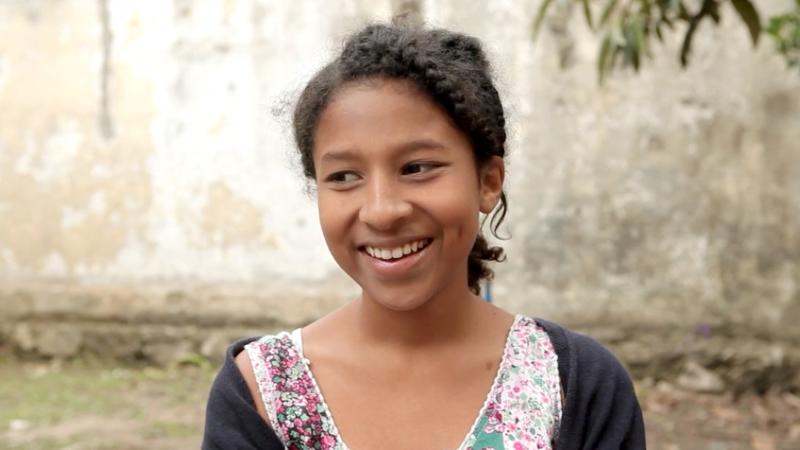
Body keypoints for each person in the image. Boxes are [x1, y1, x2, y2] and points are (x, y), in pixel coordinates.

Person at [202, 23, 645, 450]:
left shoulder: (575, 385)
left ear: (488, 181)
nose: (382, 210)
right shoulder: (263, 393)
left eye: (416, 168)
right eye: (343, 176)